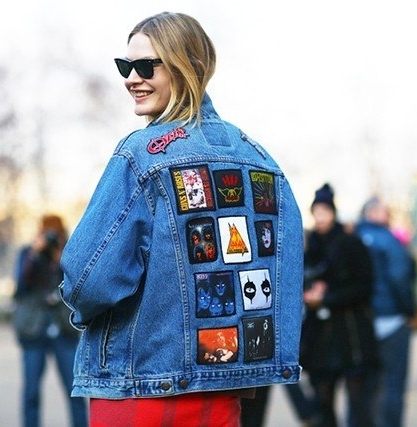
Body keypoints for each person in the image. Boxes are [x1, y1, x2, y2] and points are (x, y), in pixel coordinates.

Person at [59, 11, 304, 427]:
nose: (131, 79)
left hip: (140, 389)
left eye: (146, 66)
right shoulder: (262, 160)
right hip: (223, 391)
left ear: (187, 65)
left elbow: (89, 279)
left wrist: (78, 308)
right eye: (124, 66)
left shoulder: (140, 155)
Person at [301, 184, 378, 427]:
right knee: (323, 403)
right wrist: (309, 293)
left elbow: (364, 286)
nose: (320, 217)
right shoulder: (309, 247)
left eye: (324, 211)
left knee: (358, 403)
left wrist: (327, 297)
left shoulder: (350, 243)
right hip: (320, 338)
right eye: (316, 212)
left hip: (350, 334)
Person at [12, 214, 88, 427]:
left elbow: (80, 285)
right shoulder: (28, 253)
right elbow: (20, 286)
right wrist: (35, 254)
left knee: (74, 390)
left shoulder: (69, 253)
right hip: (33, 329)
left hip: (64, 328)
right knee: (31, 391)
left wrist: (60, 260)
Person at [355, 197, 416, 427]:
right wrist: (409, 310)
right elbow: (399, 278)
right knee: (393, 384)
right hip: (392, 320)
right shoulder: (389, 241)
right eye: (385, 210)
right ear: (373, 213)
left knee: (363, 385)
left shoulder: (353, 239)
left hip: (362, 321)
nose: (388, 214)